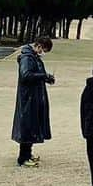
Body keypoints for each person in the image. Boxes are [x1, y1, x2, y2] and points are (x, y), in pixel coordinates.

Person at [12, 35, 55, 167]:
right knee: (27, 125)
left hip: (34, 96)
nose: (43, 53)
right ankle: (23, 157)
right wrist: (43, 76)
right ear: (38, 46)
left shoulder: (34, 58)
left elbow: (35, 74)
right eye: (43, 50)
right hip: (28, 98)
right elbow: (25, 75)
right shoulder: (27, 58)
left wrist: (47, 78)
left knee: (32, 125)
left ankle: (28, 154)